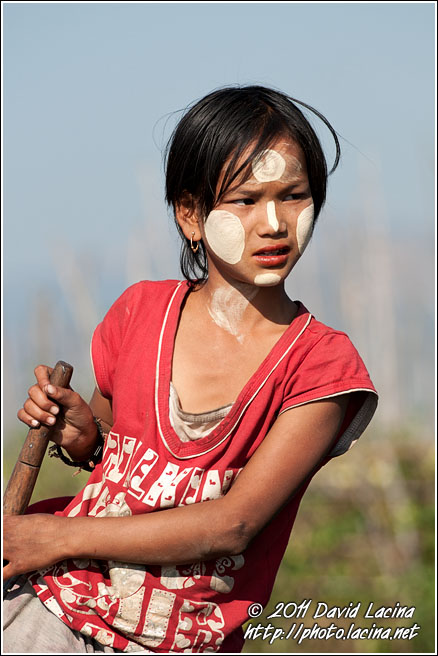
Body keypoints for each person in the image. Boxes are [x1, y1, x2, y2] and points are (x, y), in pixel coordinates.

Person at [3, 85, 378, 653]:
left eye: (294, 195)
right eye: (246, 200)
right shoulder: (139, 314)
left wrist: (54, 536)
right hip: (52, 607)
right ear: (190, 216)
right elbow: (116, 460)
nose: (274, 223)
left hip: (175, 637)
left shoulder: (320, 365)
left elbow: (232, 525)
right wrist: (82, 440)